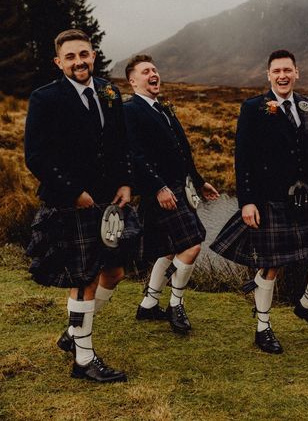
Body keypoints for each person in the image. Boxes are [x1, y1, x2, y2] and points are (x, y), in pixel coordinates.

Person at [210, 49, 308, 354]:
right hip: (270, 199)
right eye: (277, 71)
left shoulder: (307, 105)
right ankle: (263, 328)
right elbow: (242, 158)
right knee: (271, 267)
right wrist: (246, 202)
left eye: (288, 70)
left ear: (296, 72)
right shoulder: (253, 108)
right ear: (268, 75)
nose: (283, 76)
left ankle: (307, 305)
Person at [25, 29, 140, 382]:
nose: (79, 61)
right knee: (85, 278)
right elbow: (35, 156)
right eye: (70, 57)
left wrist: (125, 181)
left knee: (115, 272)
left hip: (108, 200)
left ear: (93, 55)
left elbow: (121, 143)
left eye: (84, 54)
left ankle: (74, 333)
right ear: (59, 62)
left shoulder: (108, 90)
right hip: (70, 204)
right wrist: (74, 191)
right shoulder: (45, 98)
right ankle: (84, 360)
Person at [123, 55, 219, 334]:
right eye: (145, 71)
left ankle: (149, 304)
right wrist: (158, 188)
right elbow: (134, 155)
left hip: (179, 186)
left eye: (154, 69)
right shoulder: (130, 110)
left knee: (169, 249)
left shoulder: (163, 108)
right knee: (191, 245)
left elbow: (182, 151)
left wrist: (200, 182)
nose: (153, 74)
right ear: (133, 81)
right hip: (161, 190)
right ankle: (176, 303)